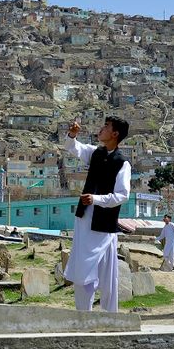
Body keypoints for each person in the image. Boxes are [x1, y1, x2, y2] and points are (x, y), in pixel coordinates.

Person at [63, 116, 131, 312]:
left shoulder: (122, 163)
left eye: (106, 127)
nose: (101, 129)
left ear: (115, 134)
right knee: (82, 269)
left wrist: (97, 199)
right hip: (85, 219)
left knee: (107, 274)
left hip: (104, 223)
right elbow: (73, 148)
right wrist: (72, 135)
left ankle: (110, 315)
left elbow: (122, 195)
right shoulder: (96, 153)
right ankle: (83, 314)